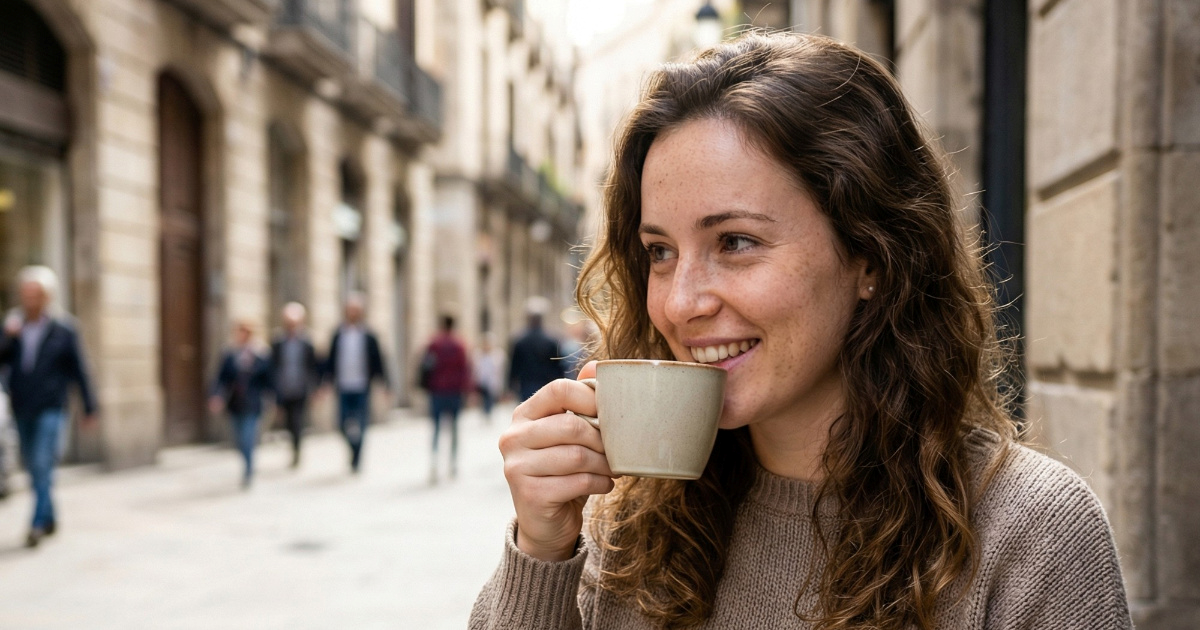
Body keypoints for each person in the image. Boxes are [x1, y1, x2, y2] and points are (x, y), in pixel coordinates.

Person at [471, 33, 1132, 629]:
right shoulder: (619, 527)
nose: (679, 303)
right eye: (660, 252)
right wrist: (541, 550)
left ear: (870, 257)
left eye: (734, 241)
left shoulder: (1029, 534)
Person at [0, 266, 98, 547]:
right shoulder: (13, 328)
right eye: (26, 293)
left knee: (43, 463)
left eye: (36, 294)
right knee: (32, 466)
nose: (30, 299)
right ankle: (50, 515)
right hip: (22, 406)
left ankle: (37, 524)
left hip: (52, 407)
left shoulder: (64, 329)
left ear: (47, 297)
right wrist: (7, 337)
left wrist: (90, 407)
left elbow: (80, 370)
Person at [323, 293, 388, 473]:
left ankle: (358, 457)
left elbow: (378, 361)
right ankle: (353, 450)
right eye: (350, 310)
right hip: (343, 384)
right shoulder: (338, 334)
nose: (352, 313)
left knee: (361, 422)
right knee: (342, 423)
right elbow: (330, 360)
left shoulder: (368, 335)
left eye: (356, 310)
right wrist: (325, 383)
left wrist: (385, 385)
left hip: (362, 385)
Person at [208, 320, 271, 489]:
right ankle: (247, 464)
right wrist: (216, 396)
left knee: (247, 438)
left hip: (253, 404)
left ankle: (249, 470)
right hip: (235, 403)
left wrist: (274, 399)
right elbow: (221, 378)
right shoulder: (230, 353)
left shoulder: (261, 354)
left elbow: (269, 380)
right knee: (238, 440)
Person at [422, 315, 472, 483]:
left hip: (437, 390)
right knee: (454, 428)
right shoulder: (459, 345)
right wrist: (467, 390)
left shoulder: (434, 344)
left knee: (436, 428)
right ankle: (453, 463)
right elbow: (465, 369)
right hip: (455, 391)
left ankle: (434, 462)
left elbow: (427, 366)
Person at [269, 302, 319, 468]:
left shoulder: (307, 342)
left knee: (297, 420)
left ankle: (297, 449)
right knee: (288, 422)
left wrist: (315, 389)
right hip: (283, 388)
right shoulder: (277, 342)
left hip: (300, 388)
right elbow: (272, 367)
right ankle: (293, 445)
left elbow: (313, 367)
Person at [507, 304, 565, 402]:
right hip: (546, 382)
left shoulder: (519, 340)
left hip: (526, 381)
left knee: (527, 409)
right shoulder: (552, 340)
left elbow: (514, 365)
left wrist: (510, 384)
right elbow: (558, 365)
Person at [473, 332, 507, 421]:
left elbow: (500, 370)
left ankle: (488, 412)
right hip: (482, 381)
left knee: (490, 398)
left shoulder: (498, 354)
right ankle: (485, 411)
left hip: (492, 381)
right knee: (484, 397)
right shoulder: (478, 354)